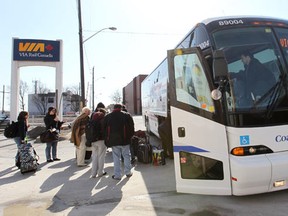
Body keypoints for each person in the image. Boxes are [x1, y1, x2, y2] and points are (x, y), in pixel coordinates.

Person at [104, 104, 135, 180]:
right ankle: (128, 172)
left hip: (114, 141)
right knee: (127, 156)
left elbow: (104, 129)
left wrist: (107, 139)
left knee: (116, 158)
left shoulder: (108, 116)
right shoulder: (127, 115)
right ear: (121, 108)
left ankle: (117, 175)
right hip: (125, 140)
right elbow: (132, 127)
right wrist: (130, 137)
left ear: (114, 108)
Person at [91, 107, 107, 178]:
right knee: (101, 157)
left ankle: (93, 173)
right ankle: (100, 172)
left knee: (94, 157)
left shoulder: (91, 122)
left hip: (93, 141)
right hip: (101, 141)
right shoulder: (103, 122)